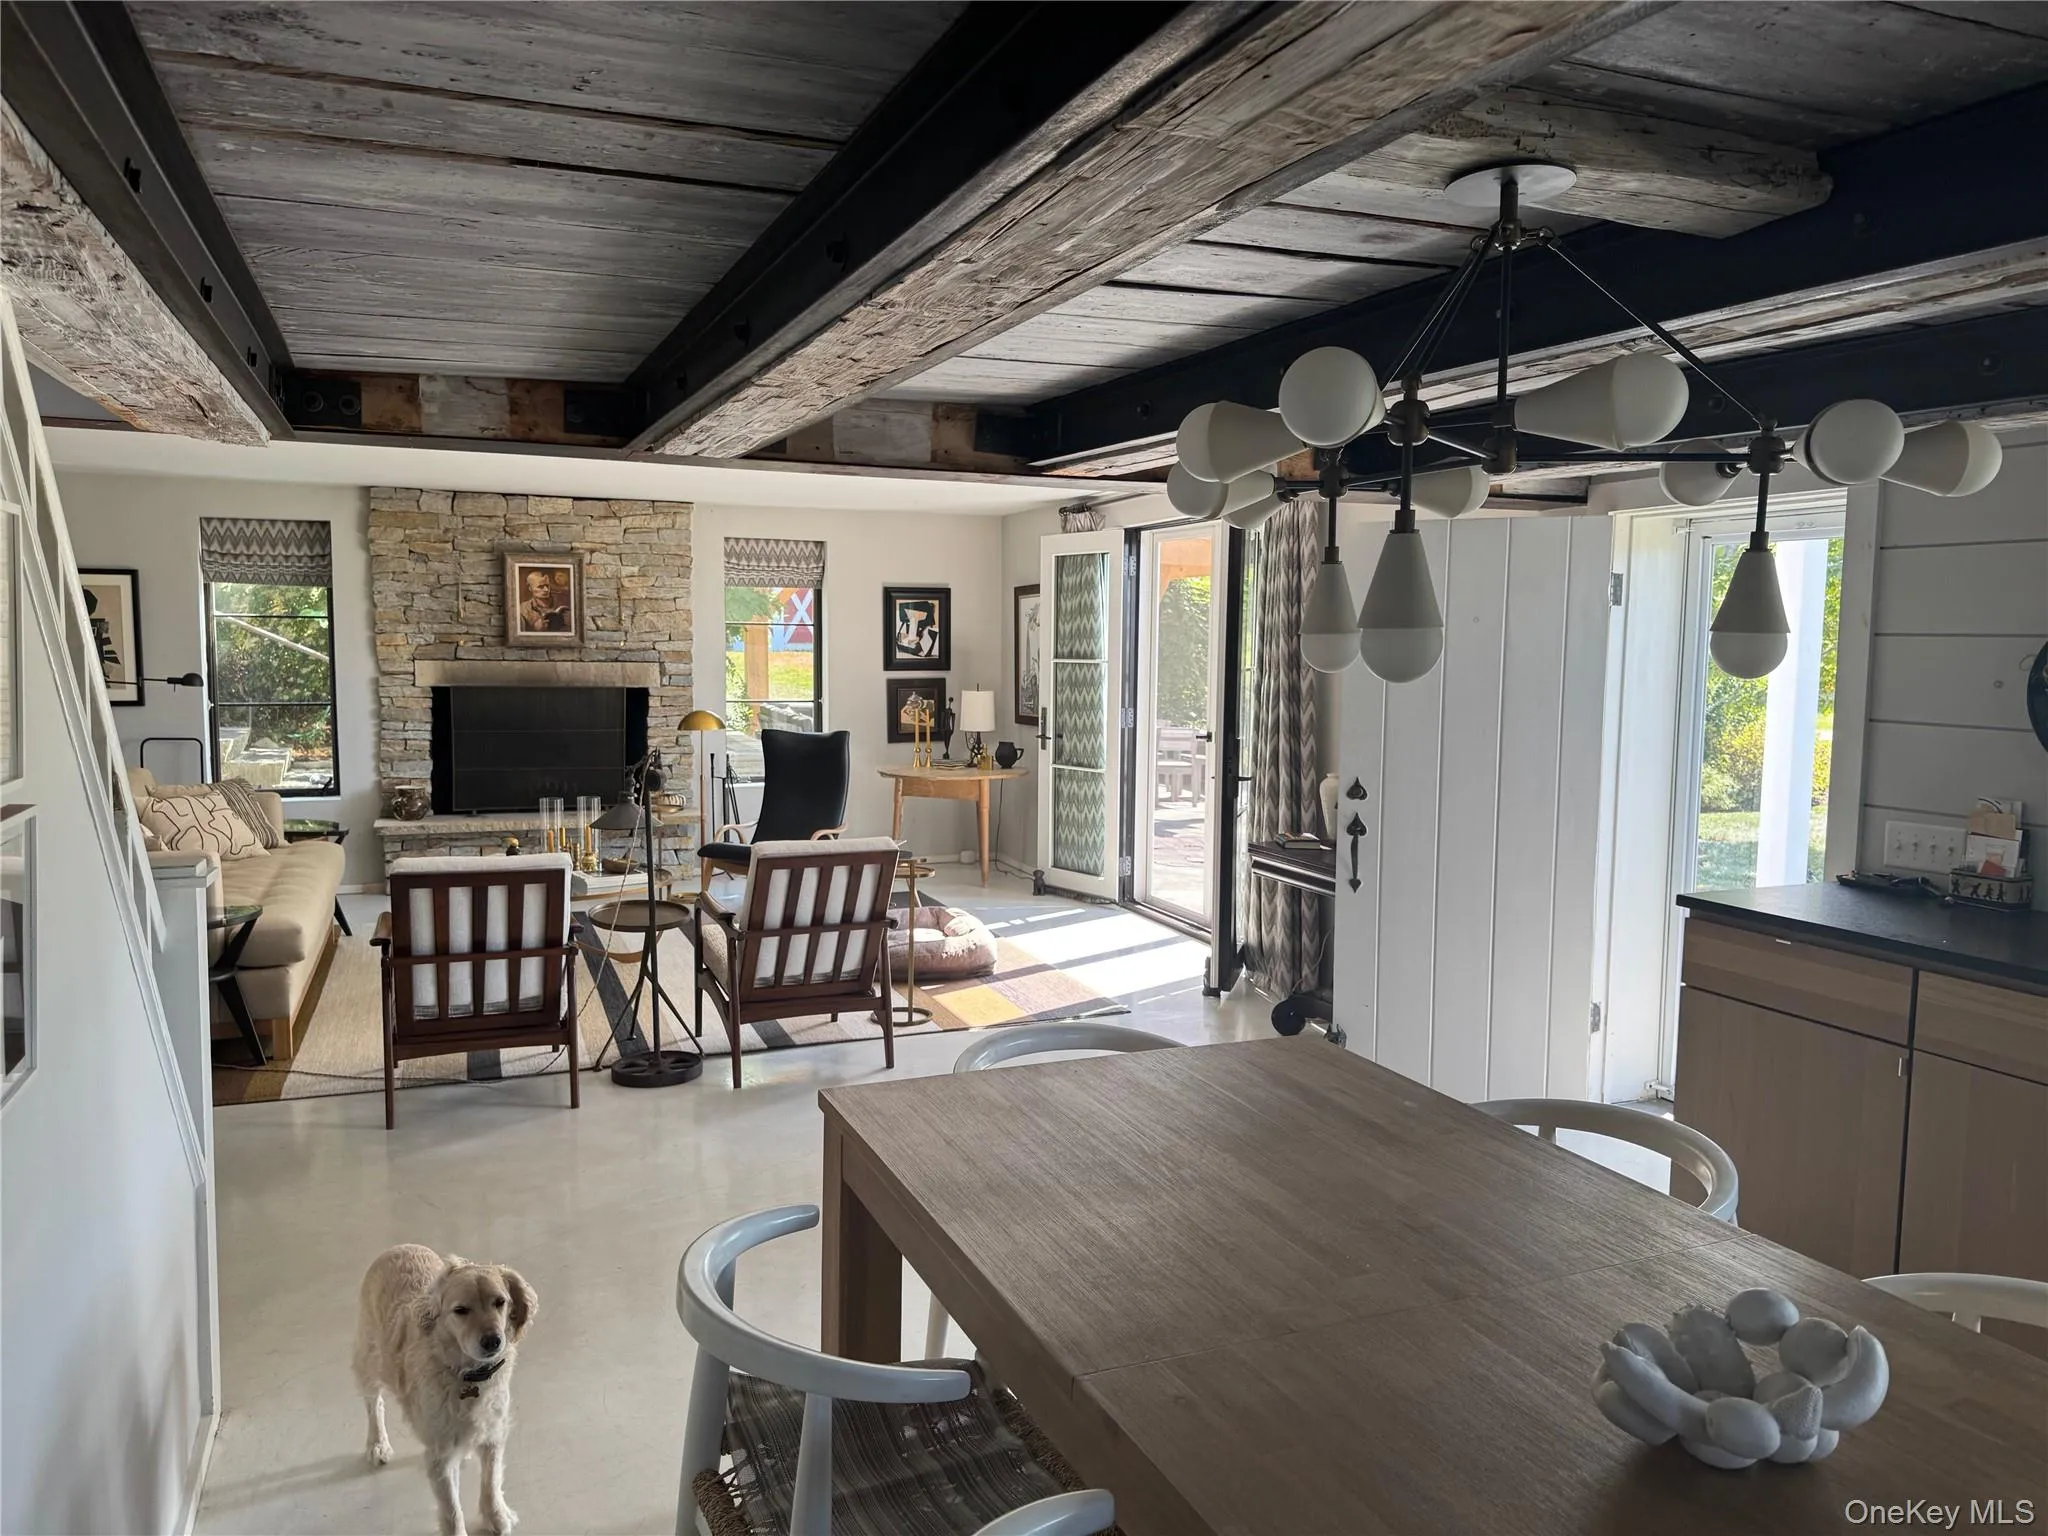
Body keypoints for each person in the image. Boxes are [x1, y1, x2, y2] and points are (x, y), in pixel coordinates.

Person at [520, 568, 570, 633]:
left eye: (547, 585)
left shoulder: (563, 601)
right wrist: (534, 629)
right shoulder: (523, 609)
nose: (546, 589)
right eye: (540, 586)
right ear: (530, 588)